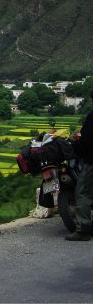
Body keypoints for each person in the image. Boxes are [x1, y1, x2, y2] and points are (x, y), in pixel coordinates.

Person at [66, 90, 93, 241]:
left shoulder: (92, 117)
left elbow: (85, 141)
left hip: (91, 162)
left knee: (82, 192)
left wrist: (76, 147)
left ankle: (83, 230)